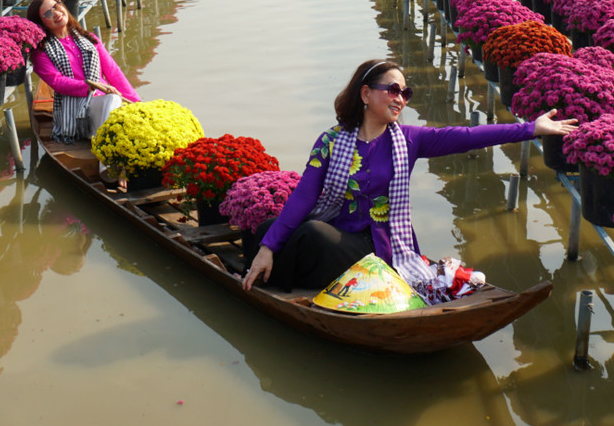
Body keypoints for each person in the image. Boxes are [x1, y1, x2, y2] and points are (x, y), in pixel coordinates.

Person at [242, 58, 576, 303]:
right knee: (263, 230)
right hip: (337, 231)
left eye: (406, 92)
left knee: (312, 237)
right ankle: (275, 271)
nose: (401, 98)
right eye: (393, 89)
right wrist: (267, 248)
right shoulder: (331, 141)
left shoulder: (409, 140)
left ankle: (299, 278)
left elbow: (468, 135)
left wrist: (530, 128)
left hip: (379, 244)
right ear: (365, 94)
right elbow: (303, 197)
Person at [26, 0, 140, 143]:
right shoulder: (41, 52)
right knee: (113, 101)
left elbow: (113, 72)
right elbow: (57, 82)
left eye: (56, 6)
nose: (56, 13)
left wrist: (137, 104)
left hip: (104, 99)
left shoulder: (88, 38)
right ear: (41, 23)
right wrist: (88, 86)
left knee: (121, 109)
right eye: (48, 13)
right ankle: (104, 156)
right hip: (76, 108)